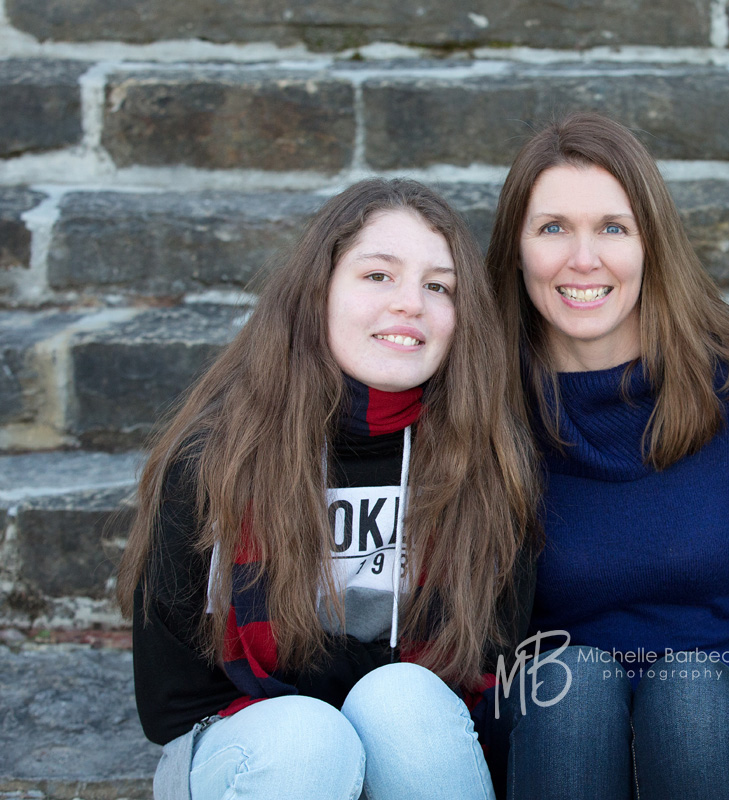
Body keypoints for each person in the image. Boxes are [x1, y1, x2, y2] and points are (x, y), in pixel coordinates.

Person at [116, 178, 539, 800]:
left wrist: (365, 697)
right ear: (318, 293)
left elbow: (489, 663)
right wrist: (342, 709)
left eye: (438, 286)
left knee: (402, 700)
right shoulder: (215, 462)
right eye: (377, 276)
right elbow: (170, 700)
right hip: (250, 747)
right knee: (310, 738)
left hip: (414, 743)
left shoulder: (487, 466)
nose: (410, 304)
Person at [483, 111, 729, 799]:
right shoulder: (481, 402)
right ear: (517, 249)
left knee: (686, 687)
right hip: (557, 741)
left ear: (651, 243)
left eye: (613, 227)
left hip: (726, 740)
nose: (584, 259)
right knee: (570, 681)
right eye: (553, 228)